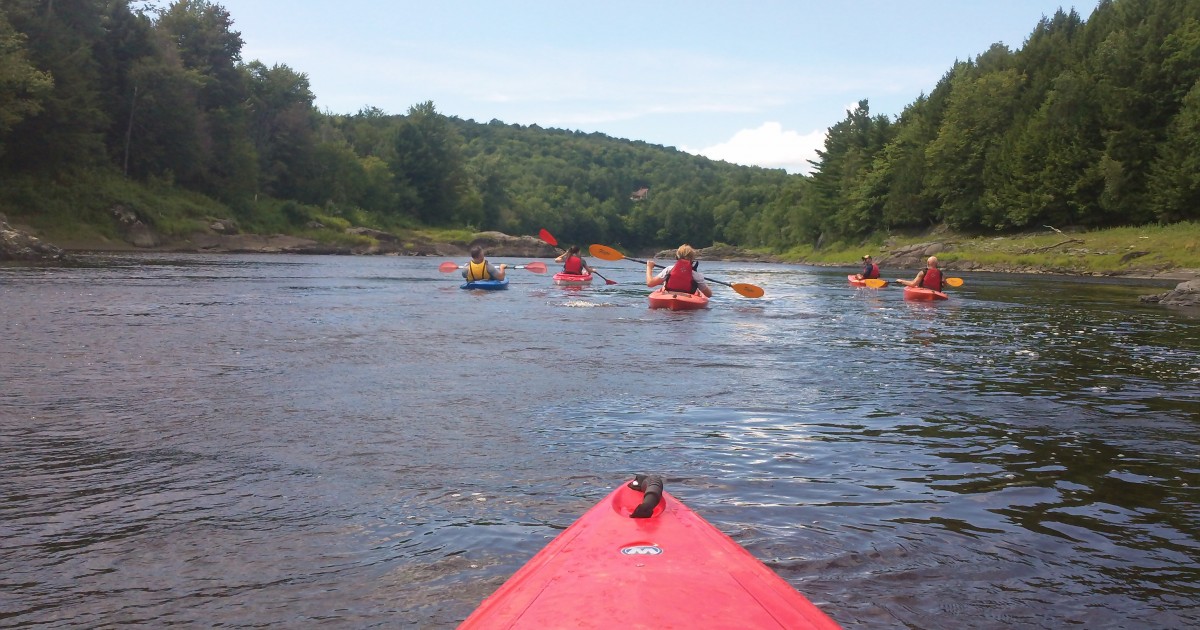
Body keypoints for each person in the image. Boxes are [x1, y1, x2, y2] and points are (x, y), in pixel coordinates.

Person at [646, 244, 713, 297]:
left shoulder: (669, 269)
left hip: (669, 295)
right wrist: (705, 285)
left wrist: (649, 267)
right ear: (692, 259)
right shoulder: (696, 275)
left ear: (677, 257)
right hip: (687, 299)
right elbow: (709, 295)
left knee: (664, 285)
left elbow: (650, 283)